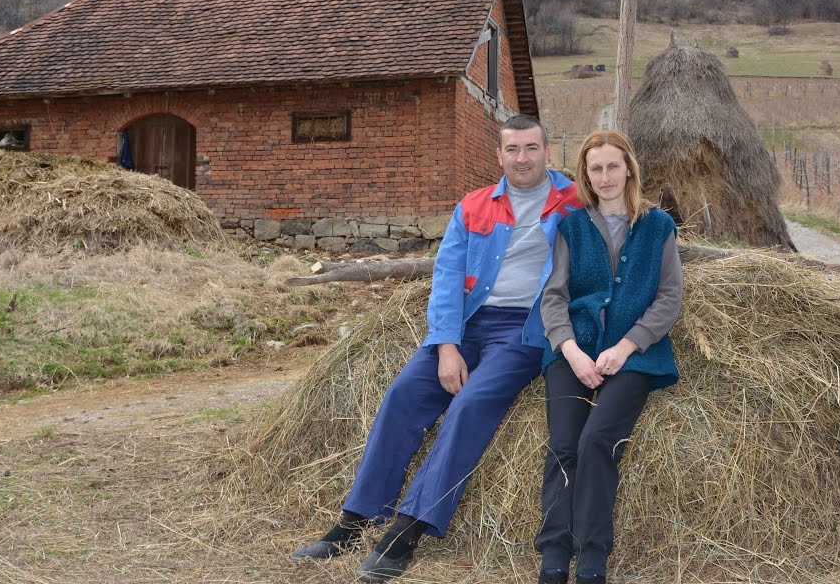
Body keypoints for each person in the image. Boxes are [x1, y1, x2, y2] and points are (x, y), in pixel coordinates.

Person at [291, 114, 582, 582]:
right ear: (499, 154)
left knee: (470, 405)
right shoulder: (473, 206)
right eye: (513, 149)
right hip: (468, 322)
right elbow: (446, 279)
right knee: (404, 394)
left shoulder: (574, 203)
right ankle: (355, 519)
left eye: (531, 148)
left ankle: (407, 529)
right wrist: (447, 345)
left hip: (527, 329)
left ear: (548, 152)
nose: (522, 158)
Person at [534, 130, 683, 584]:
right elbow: (554, 298)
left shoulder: (658, 226)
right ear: (586, 175)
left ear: (629, 169)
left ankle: (593, 556)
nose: (604, 176)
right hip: (574, 348)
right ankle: (555, 551)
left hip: (635, 354)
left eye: (612, 166)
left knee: (596, 441)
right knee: (563, 445)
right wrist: (572, 351)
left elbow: (669, 297)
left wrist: (626, 346)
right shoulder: (572, 227)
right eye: (595, 169)